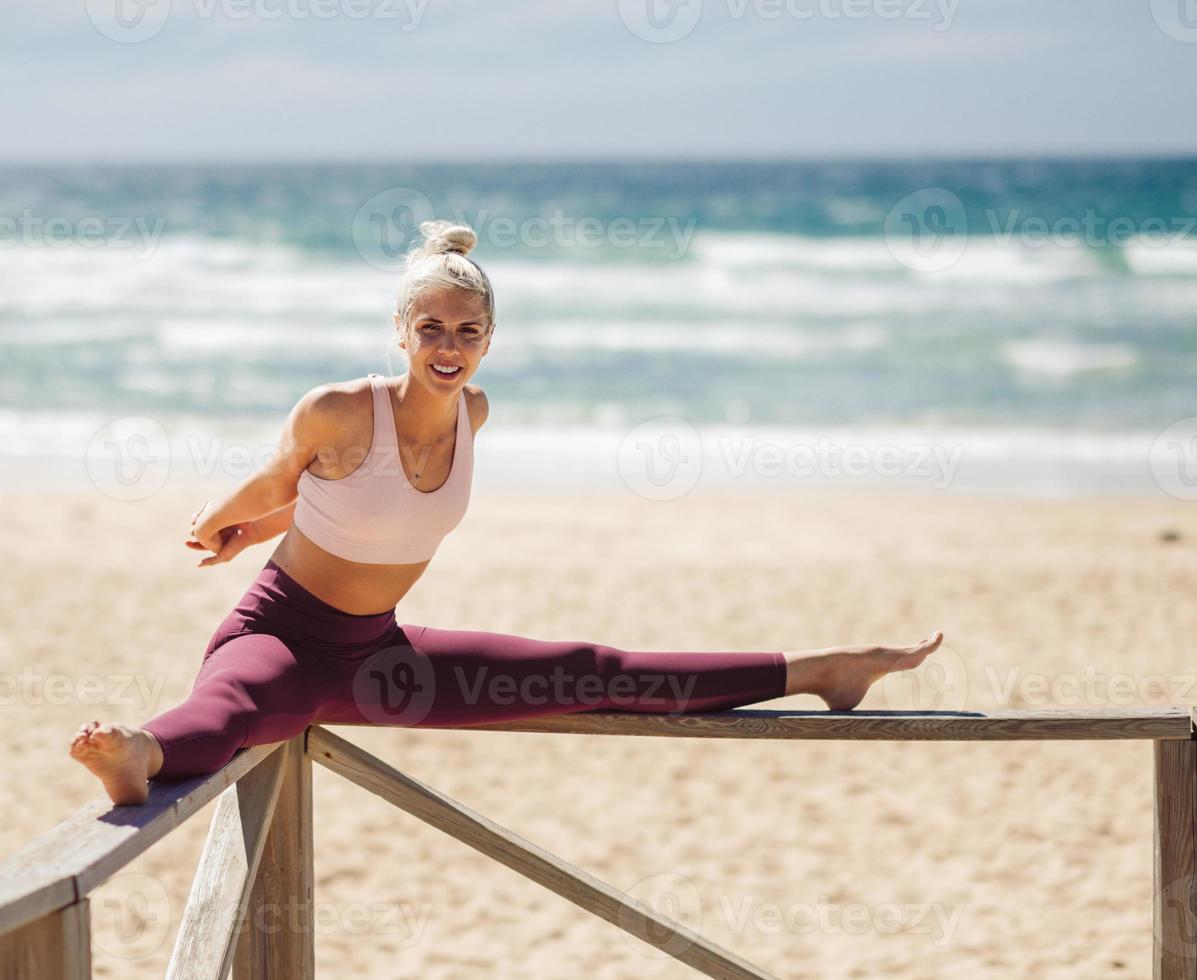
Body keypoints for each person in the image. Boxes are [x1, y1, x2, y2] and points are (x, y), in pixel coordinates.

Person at [71, 219, 943, 805]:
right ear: (401, 331)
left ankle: (821, 670)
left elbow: (339, 499)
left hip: (379, 656)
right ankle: (138, 753)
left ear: (488, 340)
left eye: (467, 333)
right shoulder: (337, 409)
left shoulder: (472, 414)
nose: (448, 349)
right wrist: (221, 522)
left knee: (597, 669)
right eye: (432, 329)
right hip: (281, 639)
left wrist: (264, 520)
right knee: (232, 711)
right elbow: (277, 482)